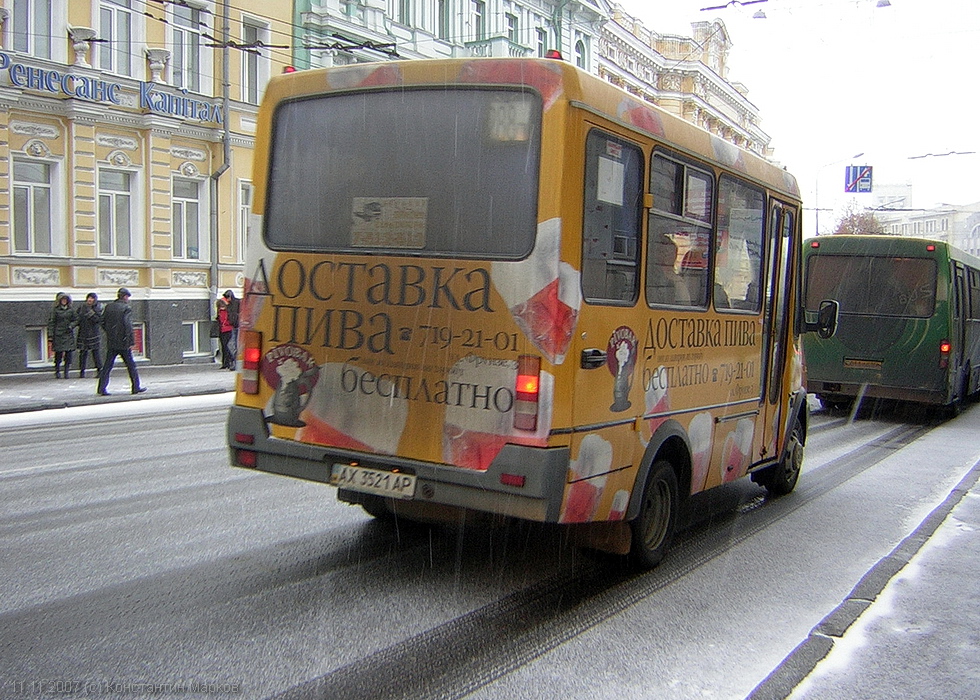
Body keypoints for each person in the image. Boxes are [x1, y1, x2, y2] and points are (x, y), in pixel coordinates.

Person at [97, 288, 146, 396]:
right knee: (131, 366)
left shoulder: (109, 307)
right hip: (123, 342)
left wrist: (109, 332)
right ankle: (135, 387)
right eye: (127, 297)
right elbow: (127, 325)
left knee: (107, 366)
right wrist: (130, 341)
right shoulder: (126, 308)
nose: (128, 299)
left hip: (112, 341)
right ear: (125, 297)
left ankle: (101, 388)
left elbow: (102, 321)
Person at [48, 292, 77, 379]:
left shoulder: (71, 310)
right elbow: (52, 322)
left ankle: (66, 371)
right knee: (58, 354)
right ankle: (57, 370)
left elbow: (76, 319)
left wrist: (71, 325)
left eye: (65, 300)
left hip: (68, 333)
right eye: (62, 300)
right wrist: (50, 335)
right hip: (58, 334)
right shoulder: (55, 310)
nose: (64, 301)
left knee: (68, 354)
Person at [76, 292, 103, 379]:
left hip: (93, 333)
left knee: (96, 353)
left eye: (92, 298)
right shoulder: (82, 307)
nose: (90, 300)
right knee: (83, 353)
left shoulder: (98, 308)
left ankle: (99, 370)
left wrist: (90, 313)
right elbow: (77, 318)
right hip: (83, 332)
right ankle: (82, 371)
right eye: (89, 298)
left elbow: (98, 320)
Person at [216, 296, 235, 370]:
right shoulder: (220, 312)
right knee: (223, 347)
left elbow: (229, 320)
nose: (221, 308)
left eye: (222, 306)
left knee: (226, 347)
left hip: (228, 330)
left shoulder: (227, 312)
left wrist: (225, 324)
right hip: (222, 330)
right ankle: (225, 363)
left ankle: (231, 360)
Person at [222, 289, 240, 365]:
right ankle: (234, 360)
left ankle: (235, 362)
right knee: (231, 345)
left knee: (236, 345)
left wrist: (238, 318)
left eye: (227, 297)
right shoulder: (228, 305)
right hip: (233, 326)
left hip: (239, 326)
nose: (227, 299)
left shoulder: (238, 302)